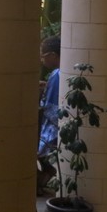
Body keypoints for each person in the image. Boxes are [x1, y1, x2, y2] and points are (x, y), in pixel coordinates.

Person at [37, 35, 60, 194]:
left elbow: (50, 109)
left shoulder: (56, 75)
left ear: (52, 55)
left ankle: (40, 179)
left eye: (43, 56)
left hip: (52, 129)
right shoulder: (59, 73)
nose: (42, 60)